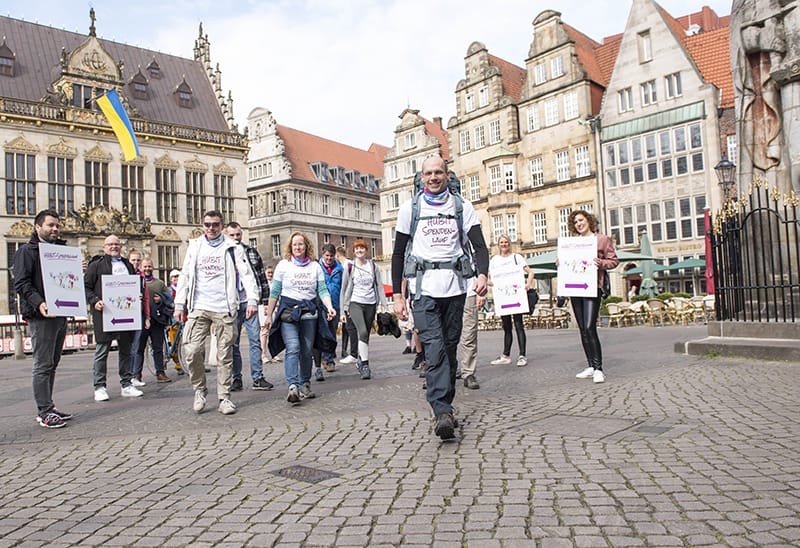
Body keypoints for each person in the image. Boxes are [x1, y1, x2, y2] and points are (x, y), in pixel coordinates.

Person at [391, 156, 489, 441]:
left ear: (447, 175)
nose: (433, 177)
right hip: (424, 290)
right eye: (428, 173)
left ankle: (446, 406)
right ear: (422, 178)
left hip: (456, 288)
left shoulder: (462, 207)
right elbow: (398, 253)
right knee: (434, 349)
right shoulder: (410, 209)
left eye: (438, 172)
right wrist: (398, 294)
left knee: (449, 347)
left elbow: (479, 246)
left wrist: (482, 274)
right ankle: (441, 411)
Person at [173, 210, 260, 415]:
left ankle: (224, 397)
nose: (211, 228)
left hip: (224, 306)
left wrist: (252, 300)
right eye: (207, 224)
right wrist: (179, 304)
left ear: (221, 226)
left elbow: (247, 275)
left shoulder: (232, 247)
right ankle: (200, 390)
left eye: (215, 224)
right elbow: (185, 275)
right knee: (192, 350)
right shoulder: (195, 246)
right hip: (199, 305)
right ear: (202, 225)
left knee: (225, 355)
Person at [13, 209, 72, 428]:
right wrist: (39, 302)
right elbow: (22, 284)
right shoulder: (26, 252)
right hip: (42, 314)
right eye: (50, 225)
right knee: (42, 364)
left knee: (52, 363)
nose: (55, 229)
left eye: (57, 225)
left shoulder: (60, 250)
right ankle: (44, 411)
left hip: (59, 313)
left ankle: (49, 405)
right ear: (38, 227)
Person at [264, 232, 337, 405]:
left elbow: (322, 290)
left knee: (306, 350)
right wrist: (269, 315)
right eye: (295, 244)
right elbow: (275, 292)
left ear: (307, 247)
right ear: (290, 246)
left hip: (309, 313)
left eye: (301, 244)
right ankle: (292, 386)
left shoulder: (315, 267)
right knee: (293, 347)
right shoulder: (283, 266)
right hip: (289, 313)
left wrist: (330, 306)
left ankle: (305, 383)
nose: (298, 247)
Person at [85, 235, 144, 402]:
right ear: (104, 247)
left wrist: (136, 295)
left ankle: (126, 384)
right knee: (102, 351)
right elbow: (86, 287)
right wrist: (94, 301)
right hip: (105, 314)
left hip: (126, 314)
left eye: (116, 244)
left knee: (126, 350)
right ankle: (99, 386)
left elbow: (134, 285)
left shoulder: (127, 265)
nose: (113, 247)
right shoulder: (96, 265)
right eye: (110, 244)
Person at [567, 210, 619, 384]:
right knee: (582, 328)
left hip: (592, 286)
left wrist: (601, 263)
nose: (578, 224)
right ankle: (590, 365)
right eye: (575, 222)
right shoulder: (573, 243)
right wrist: (562, 262)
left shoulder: (602, 239)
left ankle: (598, 368)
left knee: (590, 327)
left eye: (581, 220)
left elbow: (613, 261)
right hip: (575, 288)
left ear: (588, 221)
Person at [225, 222, 273, 391]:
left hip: (249, 302)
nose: (236, 238)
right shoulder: (223, 254)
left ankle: (258, 377)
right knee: (233, 343)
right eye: (232, 235)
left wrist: (266, 303)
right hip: (231, 303)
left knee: (255, 340)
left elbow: (261, 278)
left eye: (238, 234)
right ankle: (236, 378)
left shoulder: (251, 252)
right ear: (226, 234)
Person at [340, 239, 387, 380]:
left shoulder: (373, 266)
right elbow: (343, 289)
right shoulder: (349, 267)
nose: (359, 251)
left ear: (366, 250)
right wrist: (343, 310)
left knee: (364, 336)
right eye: (357, 249)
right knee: (363, 331)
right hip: (355, 303)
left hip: (370, 304)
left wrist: (384, 305)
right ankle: (365, 365)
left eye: (362, 248)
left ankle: (361, 359)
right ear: (353, 252)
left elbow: (379, 285)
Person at [488, 234, 536, 367]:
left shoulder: (517, 257)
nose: (504, 244)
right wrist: (490, 283)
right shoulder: (494, 260)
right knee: (506, 326)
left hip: (516, 296)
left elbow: (531, 272)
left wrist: (528, 284)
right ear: (498, 245)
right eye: (501, 242)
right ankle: (506, 355)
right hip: (503, 297)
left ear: (509, 244)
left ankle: (522, 355)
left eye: (506, 242)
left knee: (519, 325)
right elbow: (488, 276)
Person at [132, 257, 171, 385]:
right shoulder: (136, 282)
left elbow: (169, 298)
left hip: (156, 320)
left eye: (149, 266)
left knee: (158, 348)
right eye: (145, 266)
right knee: (139, 348)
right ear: (141, 268)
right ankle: (136, 374)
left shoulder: (159, 283)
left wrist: (161, 299)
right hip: (141, 319)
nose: (147, 269)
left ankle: (160, 372)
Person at [313, 243, 344, 379]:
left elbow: (343, 287)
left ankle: (328, 358)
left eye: (331, 256)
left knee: (331, 333)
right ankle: (325, 360)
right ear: (322, 254)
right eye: (327, 256)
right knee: (321, 333)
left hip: (335, 305)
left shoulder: (339, 269)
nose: (329, 258)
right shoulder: (316, 267)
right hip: (321, 305)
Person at [336, 245, 359, 364]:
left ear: (337, 255)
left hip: (349, 299)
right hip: (347, 299)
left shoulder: (347, 265)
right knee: (347, 327)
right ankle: (346, 350)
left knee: (350, 327)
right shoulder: (345, 265)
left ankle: (351, 351)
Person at [459, 284, 485, 390]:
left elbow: (482, 268)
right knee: (440, 334)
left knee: (469, 334)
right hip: (437, 292)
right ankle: (438, 373)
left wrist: (481, 293)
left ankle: (468, 372)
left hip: (469, 289)